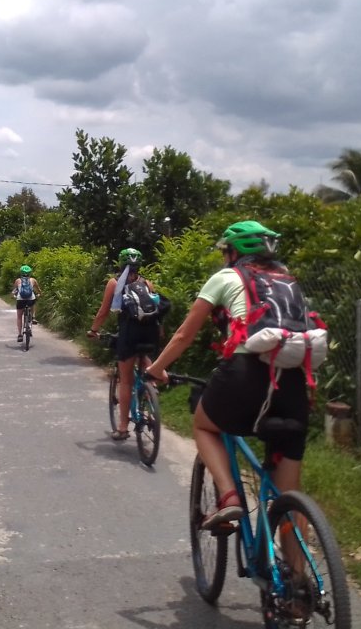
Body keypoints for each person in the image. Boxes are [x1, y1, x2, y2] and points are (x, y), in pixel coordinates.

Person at [145, 221, 310, 529]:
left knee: (204, 426)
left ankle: (229, 497)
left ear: (234, 252)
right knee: (288, 493)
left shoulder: (227, 276)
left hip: (245, 374)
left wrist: (156, 369)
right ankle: (297, 575)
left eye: (225, 252)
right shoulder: (287, 279)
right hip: (292, 380)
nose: (223, 258)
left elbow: (184, 335)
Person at [87, 247, 168, 441]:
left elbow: (104, 311)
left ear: (120, 264)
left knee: (125, 381)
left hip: (129, 334)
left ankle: (123, 428)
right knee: (146, 361)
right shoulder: (147, 282)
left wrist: (94, 330)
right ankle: (154, 383)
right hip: (150, 335)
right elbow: (155, 310)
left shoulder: (114, 283)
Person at [11, 265, 41, 343]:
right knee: (33, 302)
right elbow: (38, 290)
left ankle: (20, 334)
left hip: (20, 300)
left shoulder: (18, 280)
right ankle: (33, 317)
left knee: (19, 317)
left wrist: (13, 296)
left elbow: (14, 291)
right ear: (30, 273)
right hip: (30, 299)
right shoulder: (33, 280)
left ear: (21, 272)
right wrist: (39, 294)